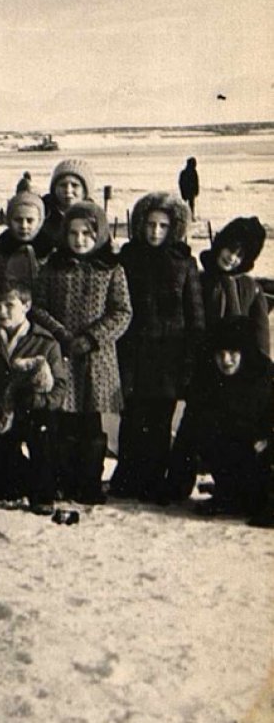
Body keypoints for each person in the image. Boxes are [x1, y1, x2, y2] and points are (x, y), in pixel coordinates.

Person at [32, 202, 132, 504]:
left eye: (87, 234)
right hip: (61, 354)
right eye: (73, 233)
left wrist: (92, 337)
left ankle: (89, 483)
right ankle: (63, 480)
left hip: (95, 358)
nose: (79, 240)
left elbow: (122, 312)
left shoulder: (111, 269)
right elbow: (37, 307)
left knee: (90, 424)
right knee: (61, 422)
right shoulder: (53, 267)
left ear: (99, 234)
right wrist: (60, 334)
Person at [109, 192, 204, 500]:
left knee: (160, 421)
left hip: (169, 357)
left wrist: (191, 359)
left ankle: (152, 481)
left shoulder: (184, 263)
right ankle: (126, 479)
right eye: (150, 225)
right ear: (140, 225)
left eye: (162, 226)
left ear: (173, 228)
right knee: (132, 417)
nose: (155, 232)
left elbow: (195, 316)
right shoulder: (128, 258)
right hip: (133, 352)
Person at [0, 279, 67, 513]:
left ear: (26, 305)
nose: (2, 312)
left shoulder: (46, 342)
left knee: (44, 429)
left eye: (9, 305)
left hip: (30, 415)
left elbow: (60, 389)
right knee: (4, 489)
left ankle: (44, 490)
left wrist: (37, 401)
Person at [161, 317, 272, 518]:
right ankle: (229, 495)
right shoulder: (206, 379)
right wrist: (176, 487)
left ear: (244, 352)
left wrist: (266, 439)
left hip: (263, 456)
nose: (226, 360)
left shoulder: (263, 374)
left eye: (233, 353)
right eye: (220, 354)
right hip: (229, 456)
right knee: (207, 432)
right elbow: (188, 432)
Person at [0, 191, 53, 354]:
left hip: (43, 334)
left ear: (40, 222)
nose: (24, 226)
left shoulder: (51, 254)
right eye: (18, 220)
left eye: (30, 220)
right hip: (1, 331)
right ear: (8, 220)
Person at [198, 216, 269, 358]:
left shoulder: (251, 288)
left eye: (239, 255)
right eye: (230, 249)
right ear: (220, 245)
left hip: (236, 365)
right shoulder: (199, 280)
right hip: (203, 361)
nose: (232, 258)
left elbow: (261, 337)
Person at [41, 158, 95, 250]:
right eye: (63, 185)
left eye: (75, 185)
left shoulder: (94, 216)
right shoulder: (42, 213)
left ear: (85, 191)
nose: (68, 190)